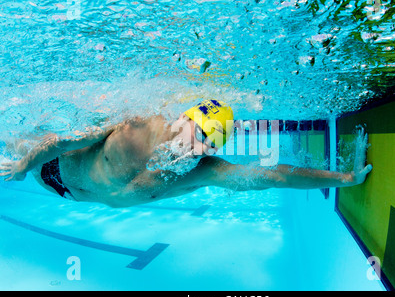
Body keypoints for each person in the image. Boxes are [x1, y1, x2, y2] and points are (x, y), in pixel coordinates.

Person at [0, 99, 372, 208]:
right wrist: (22, 166)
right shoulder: (135, 127)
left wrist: (344, 179)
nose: (190, 152)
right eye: (192, 138)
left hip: (67, 193)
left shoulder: (203, 169)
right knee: (15, 141)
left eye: (204, 147)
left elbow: (273, 176)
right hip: (50, 163)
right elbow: (64, 142)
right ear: (182, 119)